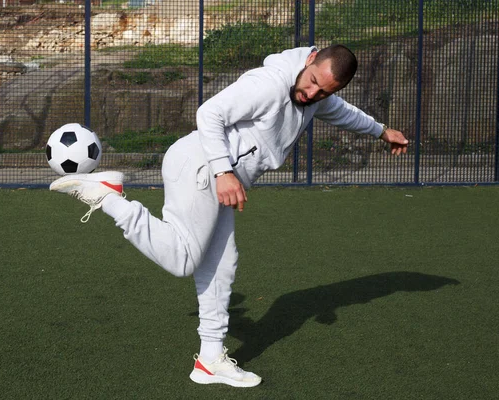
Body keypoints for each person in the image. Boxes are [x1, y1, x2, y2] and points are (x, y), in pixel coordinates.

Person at [49, 45, 409, 388]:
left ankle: (210, 360)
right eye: (312, 81)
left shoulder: (317, 96)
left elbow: (342, 112)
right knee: (181, 259)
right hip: (204, 167)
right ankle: (109, 198)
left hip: (216, 173)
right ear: (311, 59)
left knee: (220, 265)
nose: (311, 93)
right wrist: (223, 171)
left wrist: (381, 131)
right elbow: (210, 113)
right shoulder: (268, 84)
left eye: (323, 91)